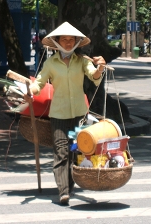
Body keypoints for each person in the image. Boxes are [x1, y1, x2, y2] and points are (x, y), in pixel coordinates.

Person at [24, 22, 106, 205]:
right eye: (64, 39)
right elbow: (39, 82)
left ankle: (69, 185)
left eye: (71, 40)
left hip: (79, 115)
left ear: (76, 42)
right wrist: (31, 91)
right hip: (59, 115)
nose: (68, 43)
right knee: (61, 151)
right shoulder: (51, 63)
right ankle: (63, 191)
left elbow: (94, 77)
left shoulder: (83, 61)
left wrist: (100, 68)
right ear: (57, 41)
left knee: (75, 150)